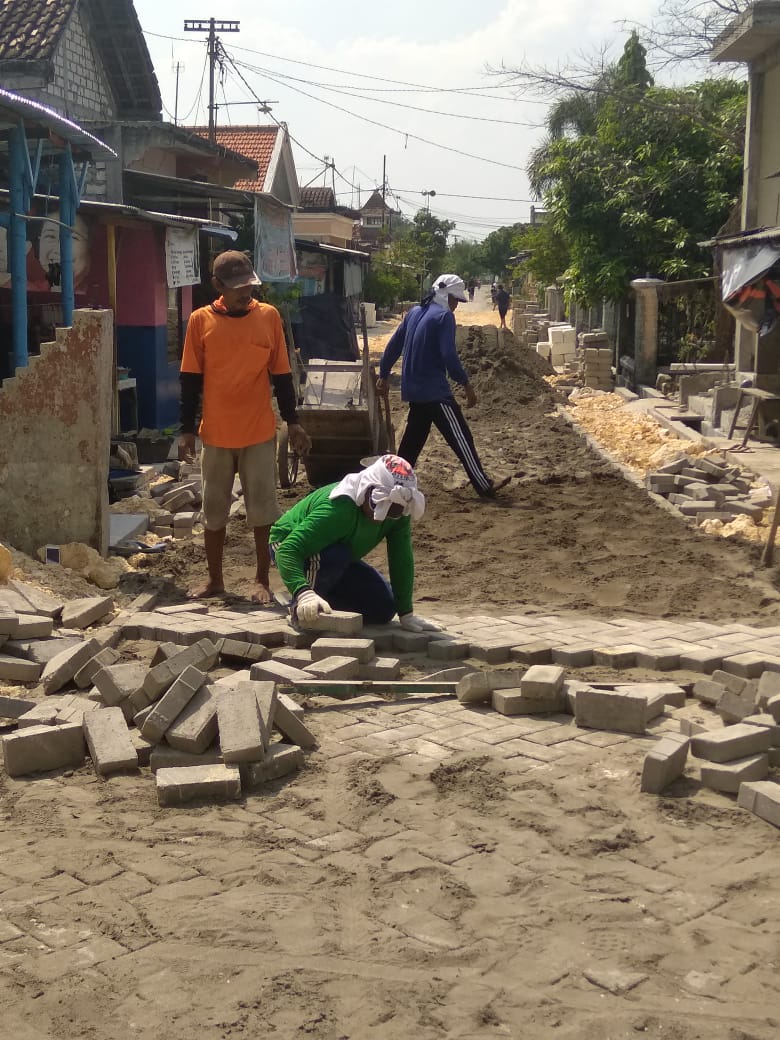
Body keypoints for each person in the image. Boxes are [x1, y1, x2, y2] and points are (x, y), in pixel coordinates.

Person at [178, 249, 311, 603]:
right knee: (214, 510)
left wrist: (292, 421)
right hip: (217, 434)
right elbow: (190, 379)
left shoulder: (268, 317)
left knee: (263, 511)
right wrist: (186, 429)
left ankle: (261, 580)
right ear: (217, 285)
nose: (244, 292)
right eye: (236, 287)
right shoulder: (199, 321)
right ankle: (215, 580)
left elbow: (281, 374)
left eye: (249, 285)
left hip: (258, 432)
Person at [270, 454, 439, 632]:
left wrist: (406, 613)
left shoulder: (399, 512)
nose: (382, 517)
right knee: (337, 555)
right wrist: (303, 593)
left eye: (393, 511)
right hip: (287, 544)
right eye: (378, 506)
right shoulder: (339, 508)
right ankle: (300, 608)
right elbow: (288, 550)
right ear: (366, 489)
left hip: (336, 556)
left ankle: (318, 599)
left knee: (384, 608)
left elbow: (401, 559)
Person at [376, 273, 506, 499]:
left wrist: (384, 373)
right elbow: (448, 354)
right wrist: (465, 383)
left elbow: (393, 344)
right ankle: (482, 484)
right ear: (447, 297)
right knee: (462, 436)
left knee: (411, 443)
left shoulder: (415, 312)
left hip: (414, 390)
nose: (456, 306)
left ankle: (393, 483)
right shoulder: (444, 317)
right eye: (456, 300)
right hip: (435, 392)